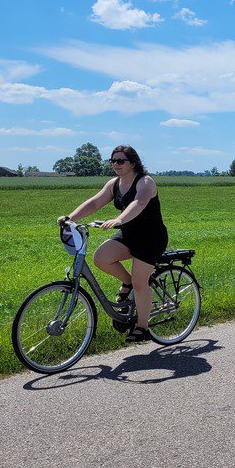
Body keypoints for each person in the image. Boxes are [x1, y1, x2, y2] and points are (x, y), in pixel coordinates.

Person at [57, 145, 168, 342]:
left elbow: (139, 203)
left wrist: (119, 220)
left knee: (140, 281)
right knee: (101, 258)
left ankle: (142, 327)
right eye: (113, 161)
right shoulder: (114, 184)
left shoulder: (145, 182)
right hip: (129, 235)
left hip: (151, 238)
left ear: (132, 162)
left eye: (120, 161)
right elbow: (94, 203)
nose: (115, 164)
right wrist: (70, 217)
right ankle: (126, 283)